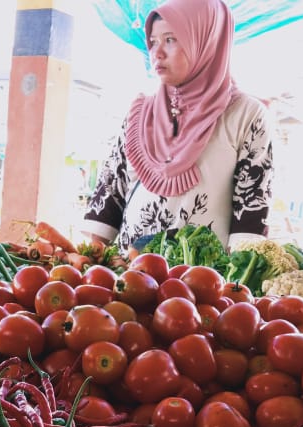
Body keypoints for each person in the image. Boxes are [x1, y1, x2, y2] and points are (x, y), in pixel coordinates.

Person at [80, 0, 273, 255]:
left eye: (170, 40)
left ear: (206, 42)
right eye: (153, 41)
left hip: (203, 284)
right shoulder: (139, 113)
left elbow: (251, 209)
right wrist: (88, 265)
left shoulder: (245, 114)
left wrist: (233, 283)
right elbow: (110, 192)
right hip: (129, 277)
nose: (157, 52)